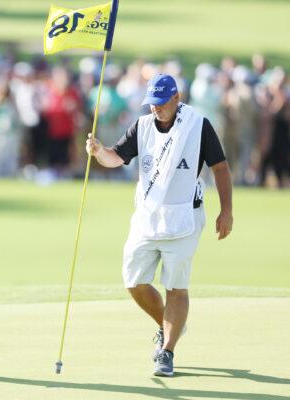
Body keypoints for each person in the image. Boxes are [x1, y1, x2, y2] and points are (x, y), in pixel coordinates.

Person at [86, 74, 233, 377]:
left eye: (161, 103)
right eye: (151, 103)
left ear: (176, 98)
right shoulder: (141, 126)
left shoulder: (197, 124)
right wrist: (100, 151)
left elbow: (220, 167)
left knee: (176, 288)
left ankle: (166, 351)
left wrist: (226, 211)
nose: (155, 109)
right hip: (147, 217)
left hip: (184, 219)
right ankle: (166, 325)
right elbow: (117, 157)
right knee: (133, 280)